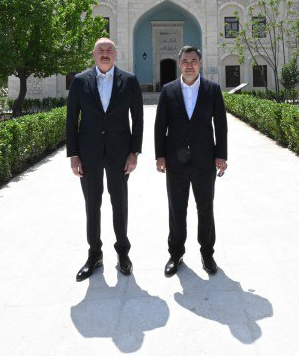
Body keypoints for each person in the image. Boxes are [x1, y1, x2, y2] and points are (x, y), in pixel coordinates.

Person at [66, 37, 144, 281]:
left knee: (119, 203)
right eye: (101, 50)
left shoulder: (129, 81)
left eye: (109, 50)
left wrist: (134, 152)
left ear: (116, 54)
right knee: (92, 204)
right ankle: (94, 254)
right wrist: (74, 155)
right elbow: (71, 120)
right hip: (88, 154)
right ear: (94, 54)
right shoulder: (80, 82)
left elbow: (138, 120)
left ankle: (123, 252)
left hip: (119, 154)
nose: (105, 53)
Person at [154, 45, 228, 277]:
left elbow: (221, 126)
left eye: (193, 60)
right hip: (175, 162)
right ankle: (175, 253)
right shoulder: (168, 90)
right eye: (185, 61)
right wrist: (160, 155)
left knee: (205, 208)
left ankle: (207, 253)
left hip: (204, 161)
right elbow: (160, 126)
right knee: (177, 209)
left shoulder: (212, 90)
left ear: (200, 63)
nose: (189, 65)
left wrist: (221, 155)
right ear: (179, 64)